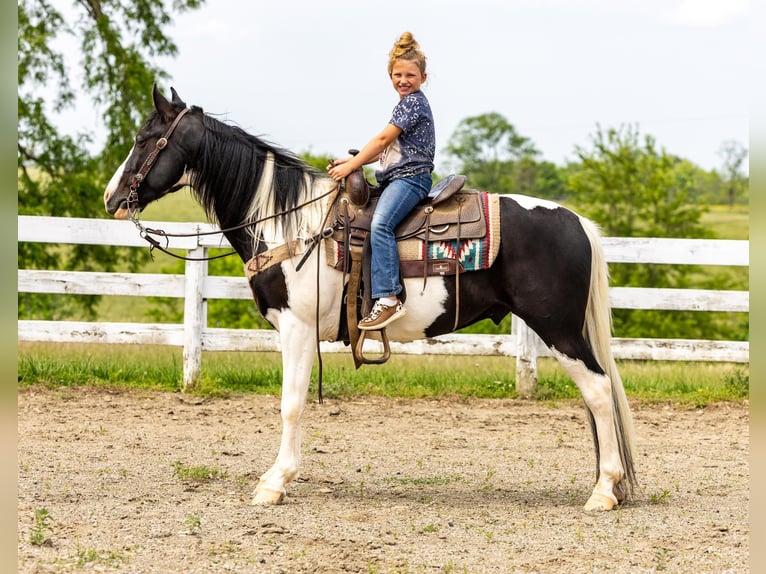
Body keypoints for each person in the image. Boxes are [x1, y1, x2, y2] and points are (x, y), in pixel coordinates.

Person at [328, 32, 435, 331]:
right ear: (390, 76)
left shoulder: (412, 104)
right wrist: (354, 161)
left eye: (411, 75)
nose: (404, 79)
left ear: (423, 77)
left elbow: (384, 138)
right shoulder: (406, 104)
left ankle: (389, 298)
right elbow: (390, 149)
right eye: (398, 74)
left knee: (381, 225)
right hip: (398, 176)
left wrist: (354, 162)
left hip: (410, 180)